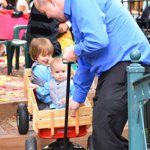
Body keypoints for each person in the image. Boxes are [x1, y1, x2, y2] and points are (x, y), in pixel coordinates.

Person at [34, 0, 150, 149]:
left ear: (52, 2)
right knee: (101, 130)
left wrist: (75, 50)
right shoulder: (76, 12)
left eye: (46, 12)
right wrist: (78, 97)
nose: (49, 17)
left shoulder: (81, 3)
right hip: (117, 66)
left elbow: (97, 41)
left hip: (127, 63)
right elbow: (87, 58)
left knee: (104, 130)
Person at [26, 1, 71, 67]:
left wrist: (68, 24)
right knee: (36, 64)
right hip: (35, 33)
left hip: (53, 36)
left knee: (54, 67)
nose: (48, 15)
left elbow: (74, 11)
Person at [29, 37, 54, 110]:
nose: (47, 58)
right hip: (46, 97)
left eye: (49, 55)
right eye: (44, 55)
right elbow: (53, 79)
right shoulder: (39, 68)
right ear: (36, 56)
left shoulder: (45, 66)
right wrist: (52, 66)